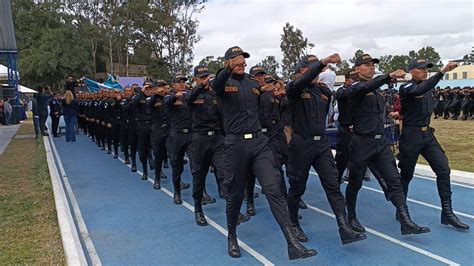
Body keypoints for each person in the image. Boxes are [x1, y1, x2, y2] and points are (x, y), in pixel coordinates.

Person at [211, 46, 316, 260]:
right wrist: (227, 69)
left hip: (259, 142)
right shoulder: (223, 83)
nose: (242, 62)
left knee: (273, 188)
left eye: (243, 59)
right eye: (237, 59)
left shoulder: (253, 84)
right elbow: (216, 84)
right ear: (228, 61)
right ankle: (232, 236)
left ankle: (292, 243)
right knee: (235, 195)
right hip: (235, 144)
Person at [286, 54, 367, 246]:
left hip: (321, 144)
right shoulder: (294, 88)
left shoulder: (324, 91)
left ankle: (344, 227)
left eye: (318, 68)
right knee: (298, 186)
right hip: (301, 143)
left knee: (332, 184)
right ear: (302, 70)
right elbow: (302, 82)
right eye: (312, 67)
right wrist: (322, 62)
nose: (318, 71)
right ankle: (293, 223)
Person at [345, 54, 430, 236]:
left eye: (373, 65)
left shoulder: (377, 90)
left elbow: (374, 87)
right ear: (357, 69)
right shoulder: (355, 88)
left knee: (395, 181)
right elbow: (366, 86)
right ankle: (350, 216)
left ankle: (405, 220)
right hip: (362, 142)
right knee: (355, 182)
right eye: (367, 65)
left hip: (380, 142)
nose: (371, 68)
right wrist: (388, 76)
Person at [398, 60, 469, 231]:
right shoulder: (406, 87)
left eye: (426, 69)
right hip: (411, 135)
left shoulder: (429, 87)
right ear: (411, 71)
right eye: (421, 69)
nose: (424, 71)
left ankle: (447, 213)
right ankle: (401, 211)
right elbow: (418, 90)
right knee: (406, 174)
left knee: (443, 169)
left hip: (427, 135)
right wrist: (442, 71)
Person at [187, 65, 224, 225]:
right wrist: (200, 86)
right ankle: (198, 210)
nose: (205, 80)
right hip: (200, 139)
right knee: (199, 176)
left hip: (217, 138)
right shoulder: (192, 95)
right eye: (201, 77)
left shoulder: (215, 94)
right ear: (195, 79)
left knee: (224, 172)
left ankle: (233, 211)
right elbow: (189, 100)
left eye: (206, 77)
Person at [164, 75, 193, 204]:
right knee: (177, 165)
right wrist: (175, 96)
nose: (182, 84)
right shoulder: (169, 96)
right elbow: (167, 102)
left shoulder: (189, 95)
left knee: (197, 166)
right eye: (179, 82)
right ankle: (177, 192)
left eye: (183, 82)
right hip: (176, 135)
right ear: (173, 85)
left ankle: (202, 193)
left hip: (191, 135)